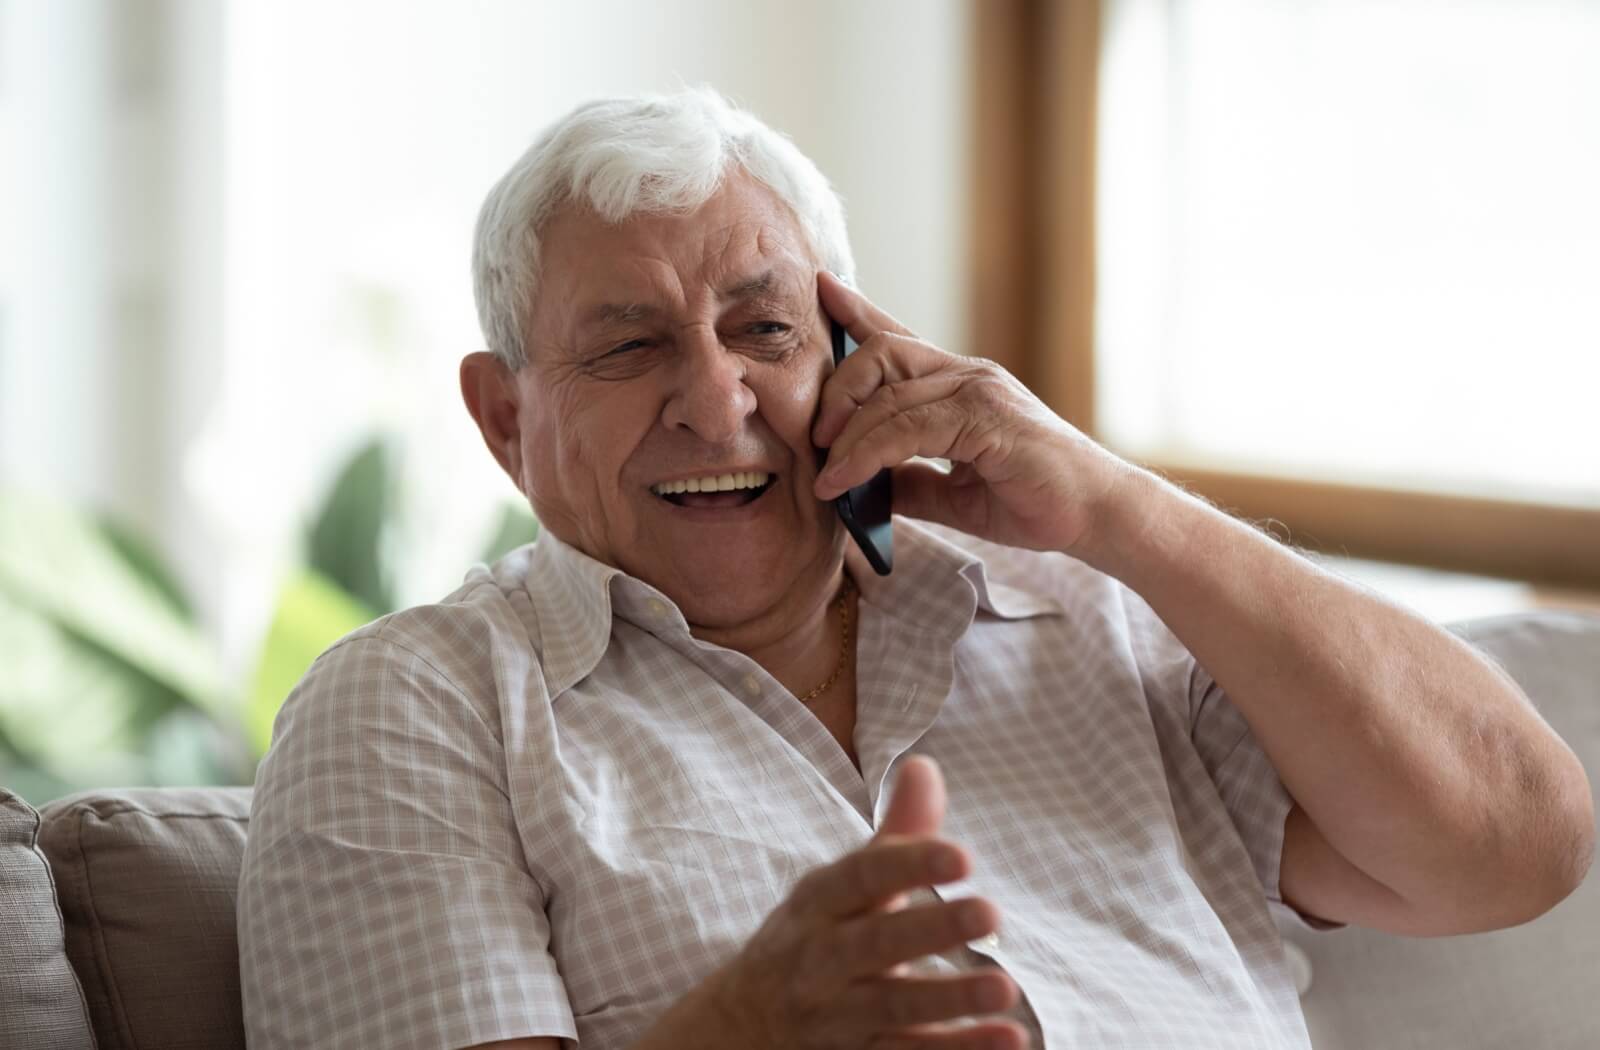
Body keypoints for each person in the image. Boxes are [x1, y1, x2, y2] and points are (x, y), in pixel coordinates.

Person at [237, 87, 1594, 1050]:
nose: (719, 405)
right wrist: (751, 1030)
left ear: (851, 352)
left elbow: (1518, 844)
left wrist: (1119, 507)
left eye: (764, 325)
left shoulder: (1091, 617)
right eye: (628, 345)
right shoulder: (416, 709)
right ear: (504, 418)